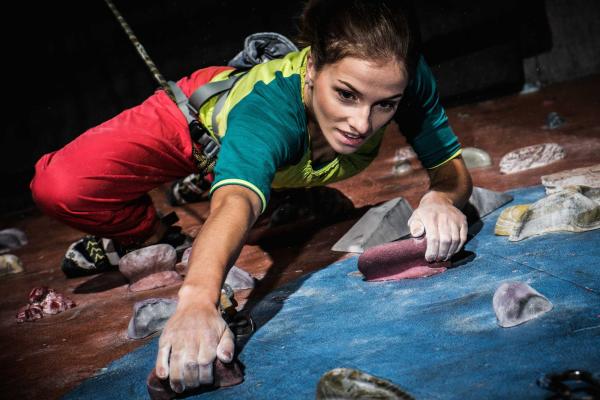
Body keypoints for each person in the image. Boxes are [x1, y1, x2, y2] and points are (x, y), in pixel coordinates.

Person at [30, 0, 472, 393]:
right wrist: (198, 301)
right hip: (199, 125)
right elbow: (234, 204)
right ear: (314, 66)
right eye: (346, 94)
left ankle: (272, 193)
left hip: (275, 162)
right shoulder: (267, 112)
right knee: (61, 186)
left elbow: (450, 171)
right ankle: (148, 233)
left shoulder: (401, 76)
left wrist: (441, 198)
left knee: (263, 179)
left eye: (385, 106)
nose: (361, 122)